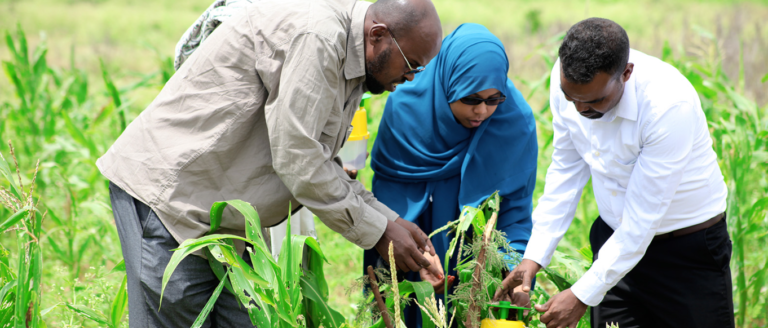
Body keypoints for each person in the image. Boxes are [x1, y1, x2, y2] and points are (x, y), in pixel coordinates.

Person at [97, 0, 444, 326]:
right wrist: (378, 232)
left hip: (227, 215)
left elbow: (319, 158)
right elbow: (299, 159)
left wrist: (391, 221)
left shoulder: (356, 59)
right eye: (410, 63)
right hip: (173, 198)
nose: (411, 77)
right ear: (378, 34)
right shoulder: (320, 38)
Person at [496, 18, 733, 328]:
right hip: (613, 247)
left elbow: (641, 221)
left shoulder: (668, 105)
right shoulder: (565, 79)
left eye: (595, 100)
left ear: (626, 73)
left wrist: (582, 294)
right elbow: (566, 172)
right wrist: (532, 259)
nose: (580, 110)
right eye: (572, 99)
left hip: (687, 253)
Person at [367, 23, 538, 326]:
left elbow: (516, 209)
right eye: (470, 99)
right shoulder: (406, 108)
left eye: (494, 99)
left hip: (478, 255)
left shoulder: (515, 122)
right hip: (407, 243)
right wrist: (418, 255)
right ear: (447, 82)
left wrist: (512, 268)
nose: (482, 112)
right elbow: (388, 197)